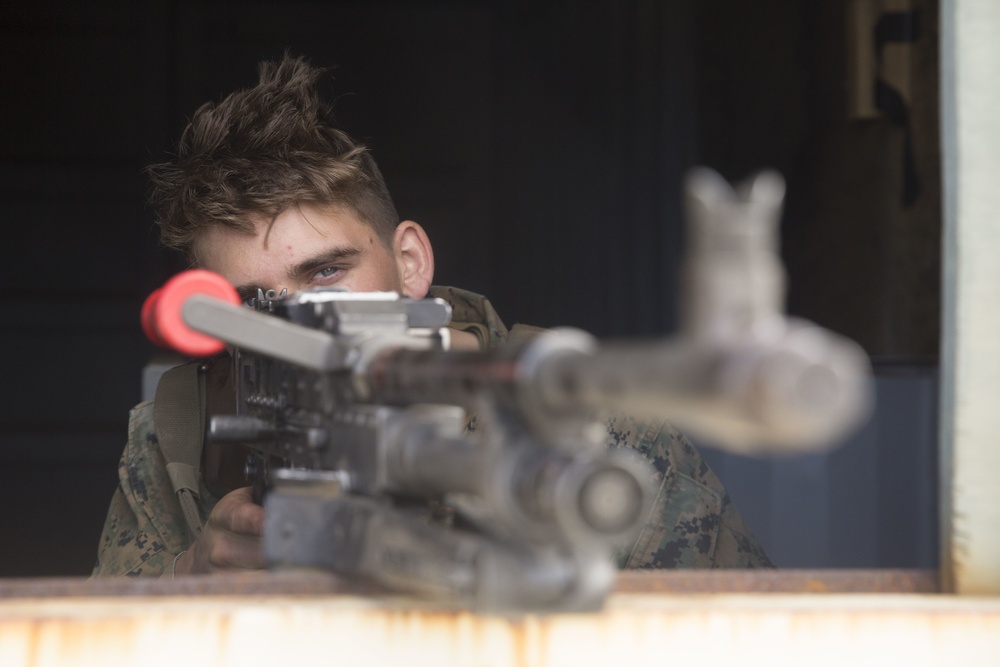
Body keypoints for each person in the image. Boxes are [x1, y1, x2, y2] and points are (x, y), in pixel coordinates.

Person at [92, 54, 771, 578]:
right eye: (251, 305)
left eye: (326, 272)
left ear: (410, 261)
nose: (297, 324)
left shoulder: (589, 419)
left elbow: (751, 634)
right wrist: (193, 576)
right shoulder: (179, 431)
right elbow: (85, 638)